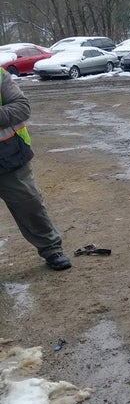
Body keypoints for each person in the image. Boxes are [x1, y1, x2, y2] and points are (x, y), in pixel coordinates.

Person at [0, 66, 71, 270]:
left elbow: (22, 107)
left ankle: (51, 249)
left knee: (29, 204)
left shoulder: (0, 76)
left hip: (7, 155)